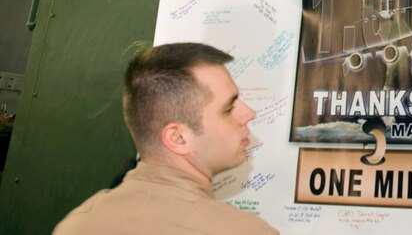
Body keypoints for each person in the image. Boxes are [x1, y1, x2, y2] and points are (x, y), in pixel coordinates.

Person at [54, 42, 278, 235]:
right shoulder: (243, 231)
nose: (249, 114)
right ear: (178, 138)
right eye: (228, 108)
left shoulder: (75, 225)